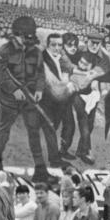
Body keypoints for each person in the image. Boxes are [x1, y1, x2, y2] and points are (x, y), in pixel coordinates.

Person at [0, 15, 52, 181]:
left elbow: (40, 73)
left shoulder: (36, 51)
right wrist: (13, 89)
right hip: (10, 100)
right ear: (17, 35)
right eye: (26, 36)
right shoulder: (4, 51)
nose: (29, 39)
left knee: (34, 131)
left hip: (30, 99)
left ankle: (40, 169)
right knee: (3, 130)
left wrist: (39, 89)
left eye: (31, 36)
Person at [39, 32, 77, 164]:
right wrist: (68, 86)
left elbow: (69, 71)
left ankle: (62, 151)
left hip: (63, 98)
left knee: (69, 125)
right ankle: (54, 160)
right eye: (53, 45)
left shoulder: (61, 57)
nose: (57, 47)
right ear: (47, 45)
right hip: (49, 99)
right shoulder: (43, 58)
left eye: (59, 45)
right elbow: (49, 81)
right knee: (50, 128)